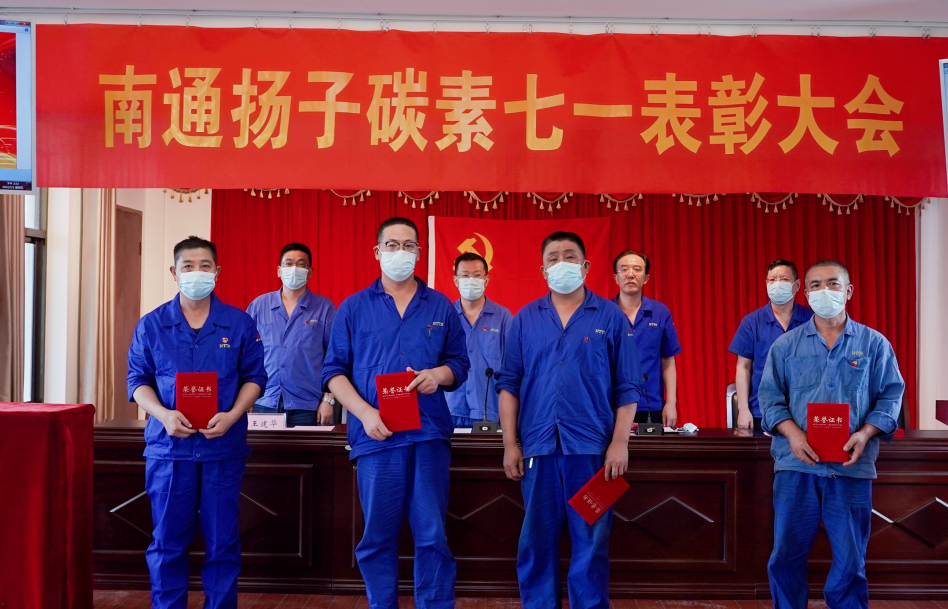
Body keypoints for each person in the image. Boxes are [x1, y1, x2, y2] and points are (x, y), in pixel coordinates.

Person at [321, 217, 470, 609]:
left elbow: (459, 364)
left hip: (428, 434)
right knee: (378, 537)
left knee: (432, 534)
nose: (400, 252)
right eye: (392, 245)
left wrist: (437, 375)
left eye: (408, 245)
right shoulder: (353, 307)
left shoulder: (440, 305)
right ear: (377, 252)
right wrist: (365, 413)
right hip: (376, 437)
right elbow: (333, 372)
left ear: (419, 252)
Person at [496, 231, 642, 609]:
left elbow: (628, 386)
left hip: (592, 450)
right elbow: (509, 385)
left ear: (586, 265)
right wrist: (510, 444)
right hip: (538, 447)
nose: (562, 263)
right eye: (553, 257)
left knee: (591, 540)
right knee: (536, 541)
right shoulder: (525, 318)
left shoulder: (609, 316)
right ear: (543, 269)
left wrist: (620, 443)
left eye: (570, 256)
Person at [127, 236, 267, 609]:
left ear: (217, 272)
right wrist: (163, 414)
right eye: (188, 266)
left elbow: (255, 377)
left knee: (223, 541)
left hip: (222, 448)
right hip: (169, 450)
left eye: (205, 266)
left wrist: (234, 415)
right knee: (167, 542)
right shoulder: (152, 324)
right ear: (174, 272)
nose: (196, 273)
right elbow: (137, 382)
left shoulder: (239, 322)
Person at [759, 260, 903, 609]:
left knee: (851, 559)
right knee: (786, 554)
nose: (825, 291)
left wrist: (866, 433)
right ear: (806, 294)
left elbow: (891, 396)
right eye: (816, 285)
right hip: (796, 466)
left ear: (848, 291)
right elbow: (770, 399)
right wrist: (793, 434)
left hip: (851, 466)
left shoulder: (874, 344)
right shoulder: (785, 346)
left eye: (833, 283)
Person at [247, 242, 337, 427]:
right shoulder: (259, 306)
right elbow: (245, 354)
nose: (294, 268)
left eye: (301, 264)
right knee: (262, 448)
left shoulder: (324, 308)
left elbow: (334, 356)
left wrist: (328, 399)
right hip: (263, 400)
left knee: (305, 448)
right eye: (288, 263)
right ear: (279, 270)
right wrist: (244, 397)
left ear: (310, 272)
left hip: (308, 404)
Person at [730, 260, 813, 431]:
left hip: (804, 411)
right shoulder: (752, 322)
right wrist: (743, 410)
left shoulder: (812, 320)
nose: (777, 284)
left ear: (797, 285)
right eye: (772, 280)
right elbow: (743, 367)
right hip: (763, 411)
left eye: (784, 279)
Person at [612, 250, 682, 427]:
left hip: (650, 404)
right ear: (616, 278)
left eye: (637, 269)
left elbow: (668, 360)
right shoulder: (605, 313)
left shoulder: (660, 312)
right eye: (624, 269)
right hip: (611, 404)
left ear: (646, 278)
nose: (630, 274)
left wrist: (671, 403)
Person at [445, 252, 513, 427]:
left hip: (490, 411)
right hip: (449, 409)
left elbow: (512, 367)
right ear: (456, 280)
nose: (471, 280)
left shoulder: (503, 317)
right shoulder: (445, 315)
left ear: (486, 280)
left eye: (477, 275)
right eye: (465, 275)